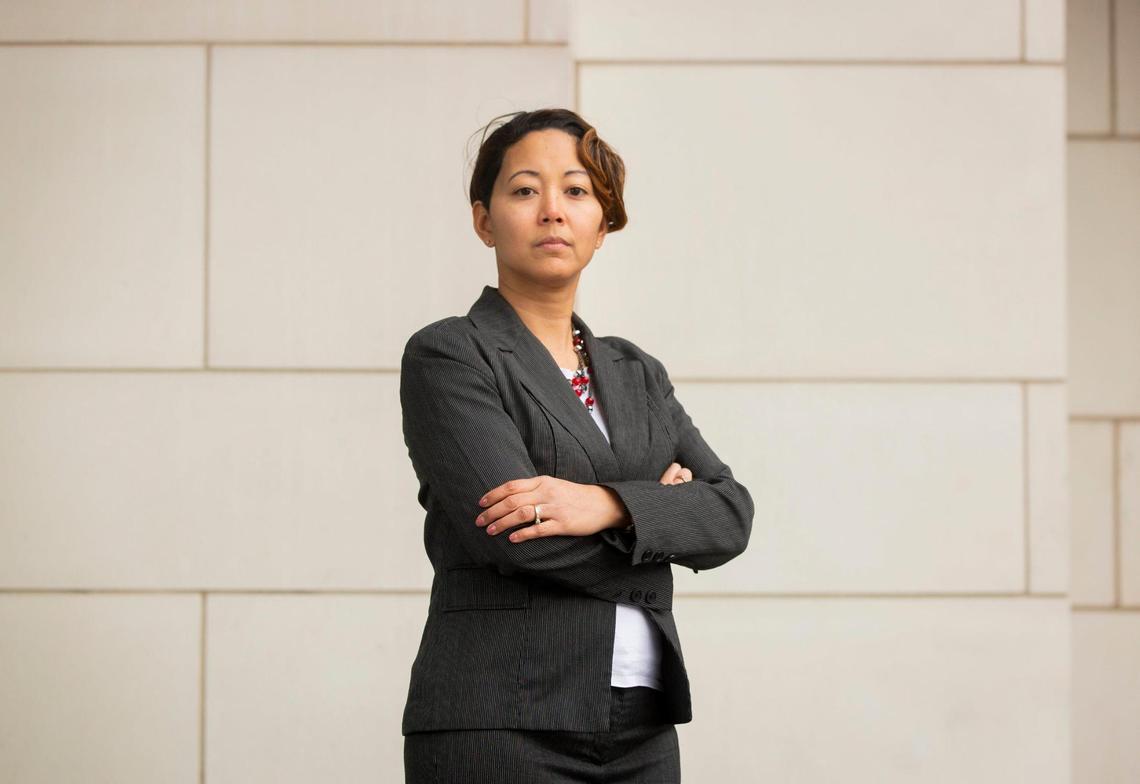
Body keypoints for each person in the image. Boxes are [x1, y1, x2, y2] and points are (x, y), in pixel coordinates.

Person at [399, 107, 754, 782]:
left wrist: (608, 507)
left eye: (577, 191)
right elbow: (511, 533)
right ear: (484, 219)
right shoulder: (452, 355)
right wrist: (662, 520)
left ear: (602, 225)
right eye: (525, 189)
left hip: (644, 728)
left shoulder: (635, 371)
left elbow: (731, 516)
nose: (553, 211)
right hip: (500, 720)